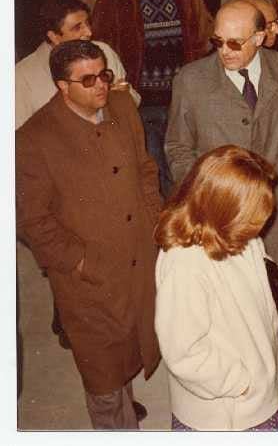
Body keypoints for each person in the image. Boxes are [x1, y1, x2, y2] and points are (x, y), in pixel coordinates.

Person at [164, 0, 278, 411]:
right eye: (217, 41)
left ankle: (277, 372)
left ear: (260, 37)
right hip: (218, 223)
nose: (224, 51)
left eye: (235, 43)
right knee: (231, 307)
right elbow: (178, 147)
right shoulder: (191, 79)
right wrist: (205, 199)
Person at [16, 39, 161, 429]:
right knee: (103, 381)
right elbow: (32, 220)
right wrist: (81, 262)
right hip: (88, 281)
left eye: (104, 74)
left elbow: (146, 171)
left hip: (139, 260)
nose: (101, 85)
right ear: (62, 87)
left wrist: (155, 224)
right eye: (88, 79)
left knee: (133, 348)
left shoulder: (122, 106)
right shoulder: (32, 139)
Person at [154, 145, 278, 431]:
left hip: (259, 394)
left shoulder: (239, 234)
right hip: (229, 415)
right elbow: (184, 352)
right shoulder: (185, 263)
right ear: (222, 206)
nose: (260, 226)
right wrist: (241, 383)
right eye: (253, 216)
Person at [92, 0, 211, 198]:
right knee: (153, 172)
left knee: (185, 171)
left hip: (180, 100)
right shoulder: (113, 0)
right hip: (139, 102)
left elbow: (203, 41)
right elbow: (99, 49)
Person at [16, 0, 138, 129]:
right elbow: (21, 137)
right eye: (77, 27)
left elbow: (134, 101)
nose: (89, 32)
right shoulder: (22, 76)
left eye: (87, 23)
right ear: (54, 37)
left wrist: (121, 95)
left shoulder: (103, 51)